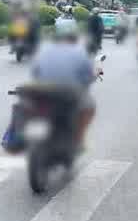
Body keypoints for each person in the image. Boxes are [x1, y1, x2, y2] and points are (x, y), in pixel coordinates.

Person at [30, 13, 99, 147]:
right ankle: (79, 138)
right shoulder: (80, 52)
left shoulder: (44, 50)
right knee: (89, 106)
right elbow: (88, 77)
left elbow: (35, 73)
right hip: (68, 95)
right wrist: (95, 74)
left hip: (45, 94)